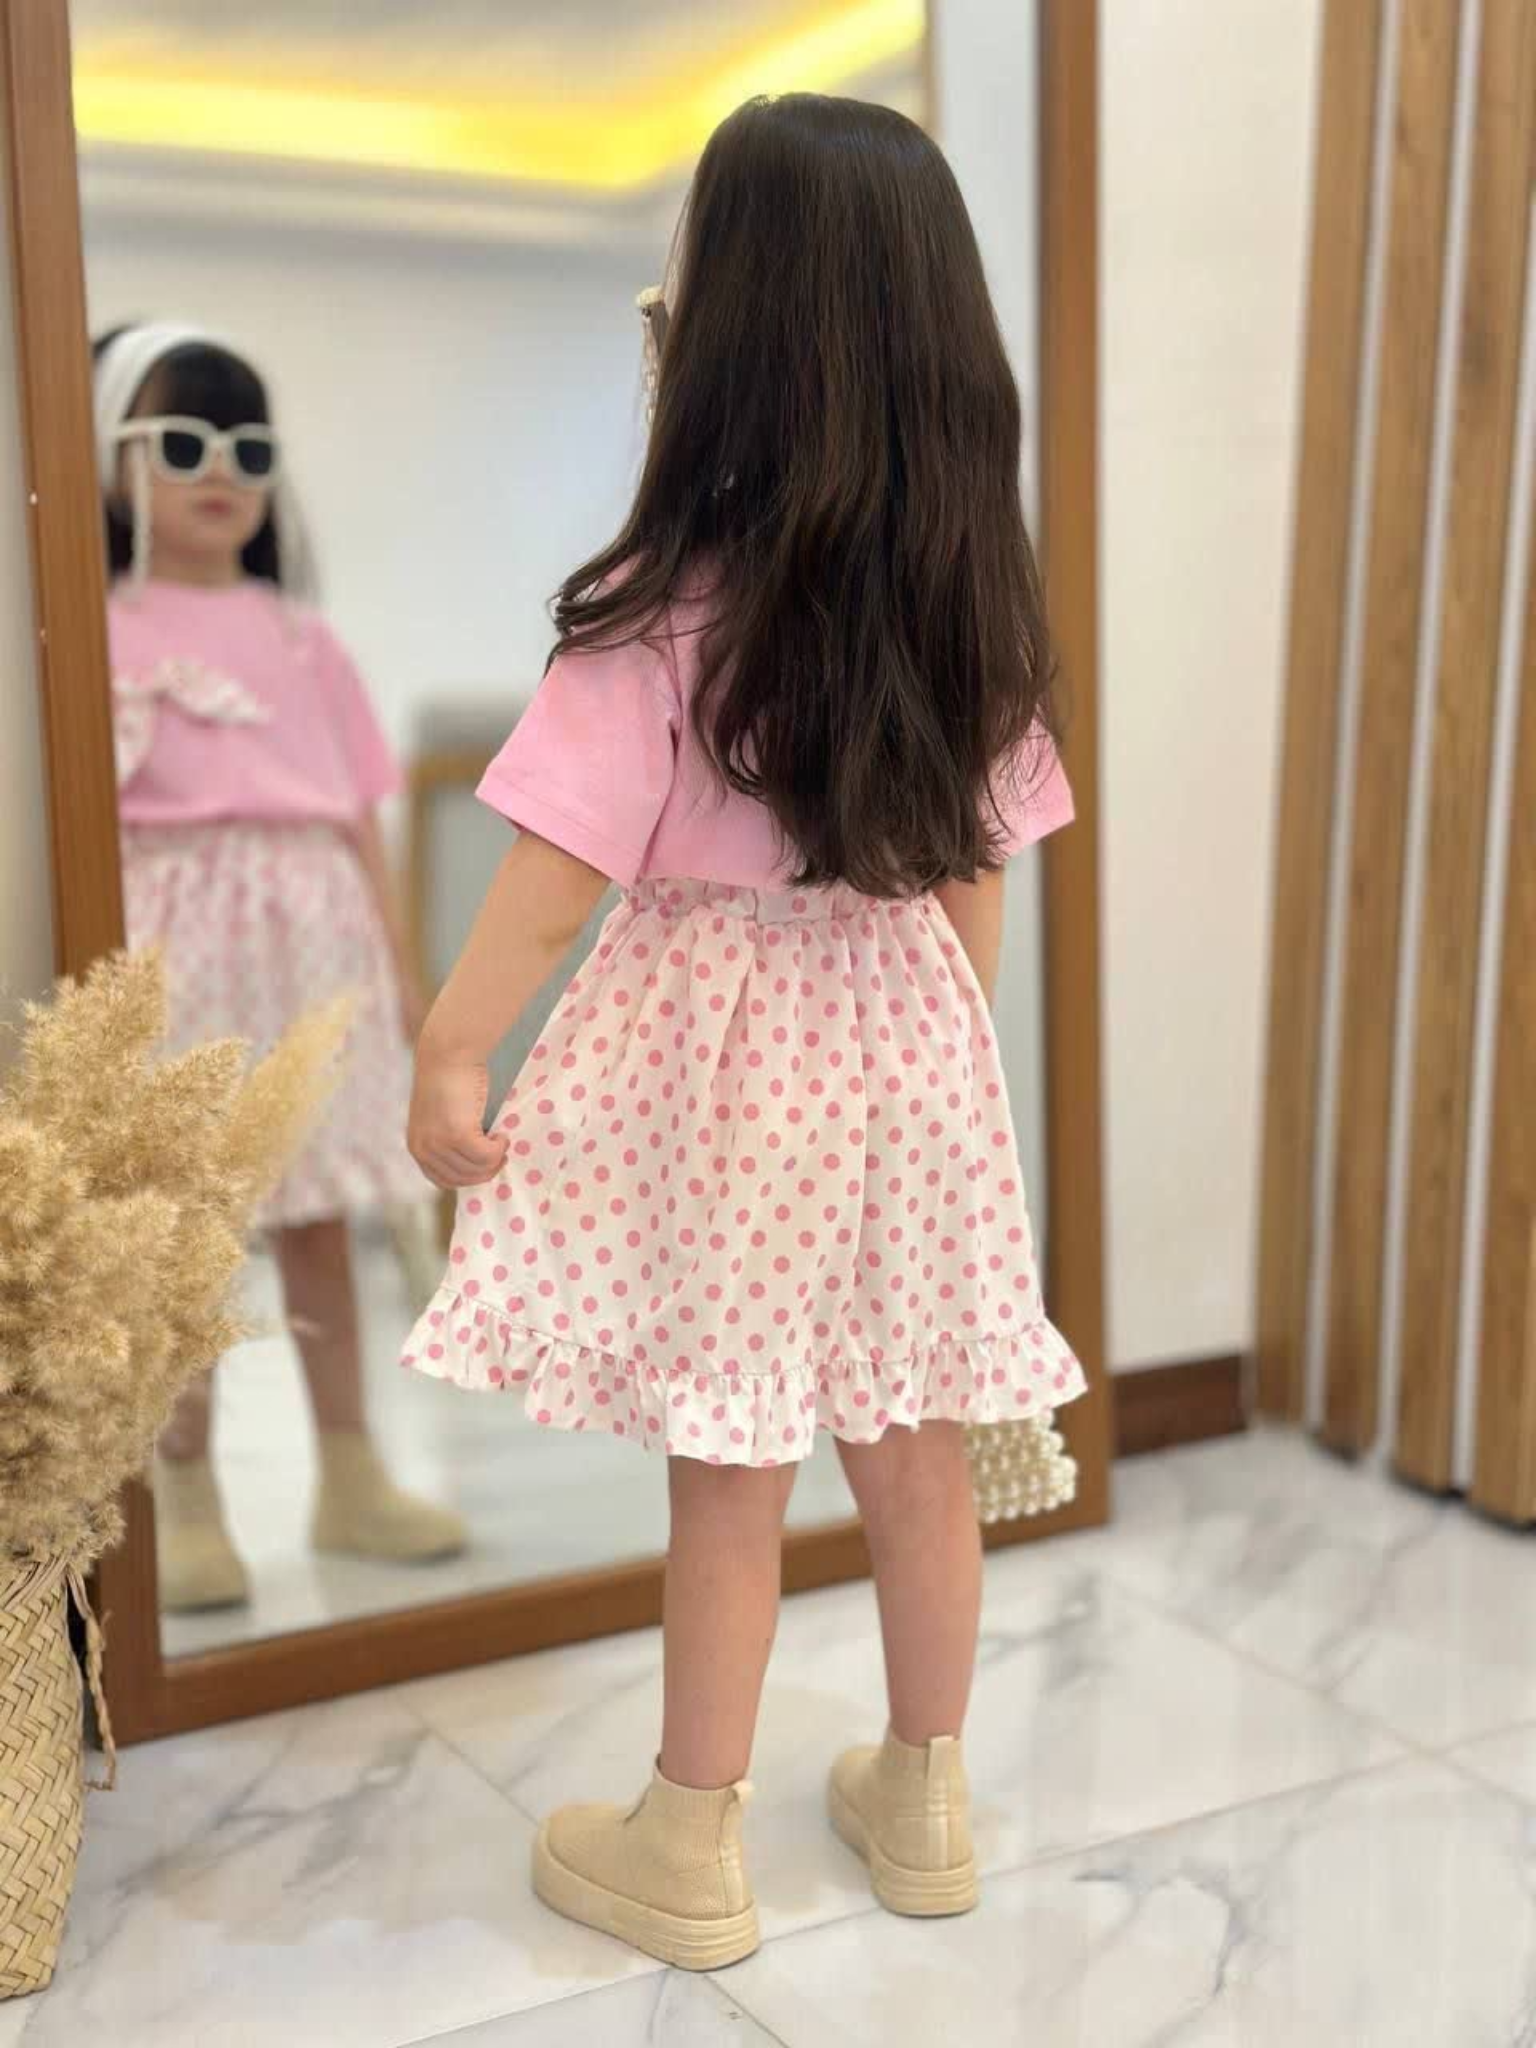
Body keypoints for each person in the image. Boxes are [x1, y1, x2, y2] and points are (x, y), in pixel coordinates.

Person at [403, 94, 1086, 1970]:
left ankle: (689, 1837)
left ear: (725, 342)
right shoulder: (973, 607)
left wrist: (453, 1045)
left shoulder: (665, 610)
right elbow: (978, 877)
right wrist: (942, 1067)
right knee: (917, 1442)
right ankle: (927, 1798)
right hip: (913, 1055)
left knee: (732, 1464)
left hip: (733, 1074)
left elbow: (555, 873)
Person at [95, 324, 467, 1612]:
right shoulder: (98, 631)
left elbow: (361, 818)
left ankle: (351, 1474)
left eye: (247, 449)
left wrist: (407, 982)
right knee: (188, 1231)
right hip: (175, 948)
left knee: (320, 1220)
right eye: (181, 441)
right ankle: (186, 1493)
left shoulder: (305, 641)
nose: (219, 470)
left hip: (316, 943)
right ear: (113, 463)